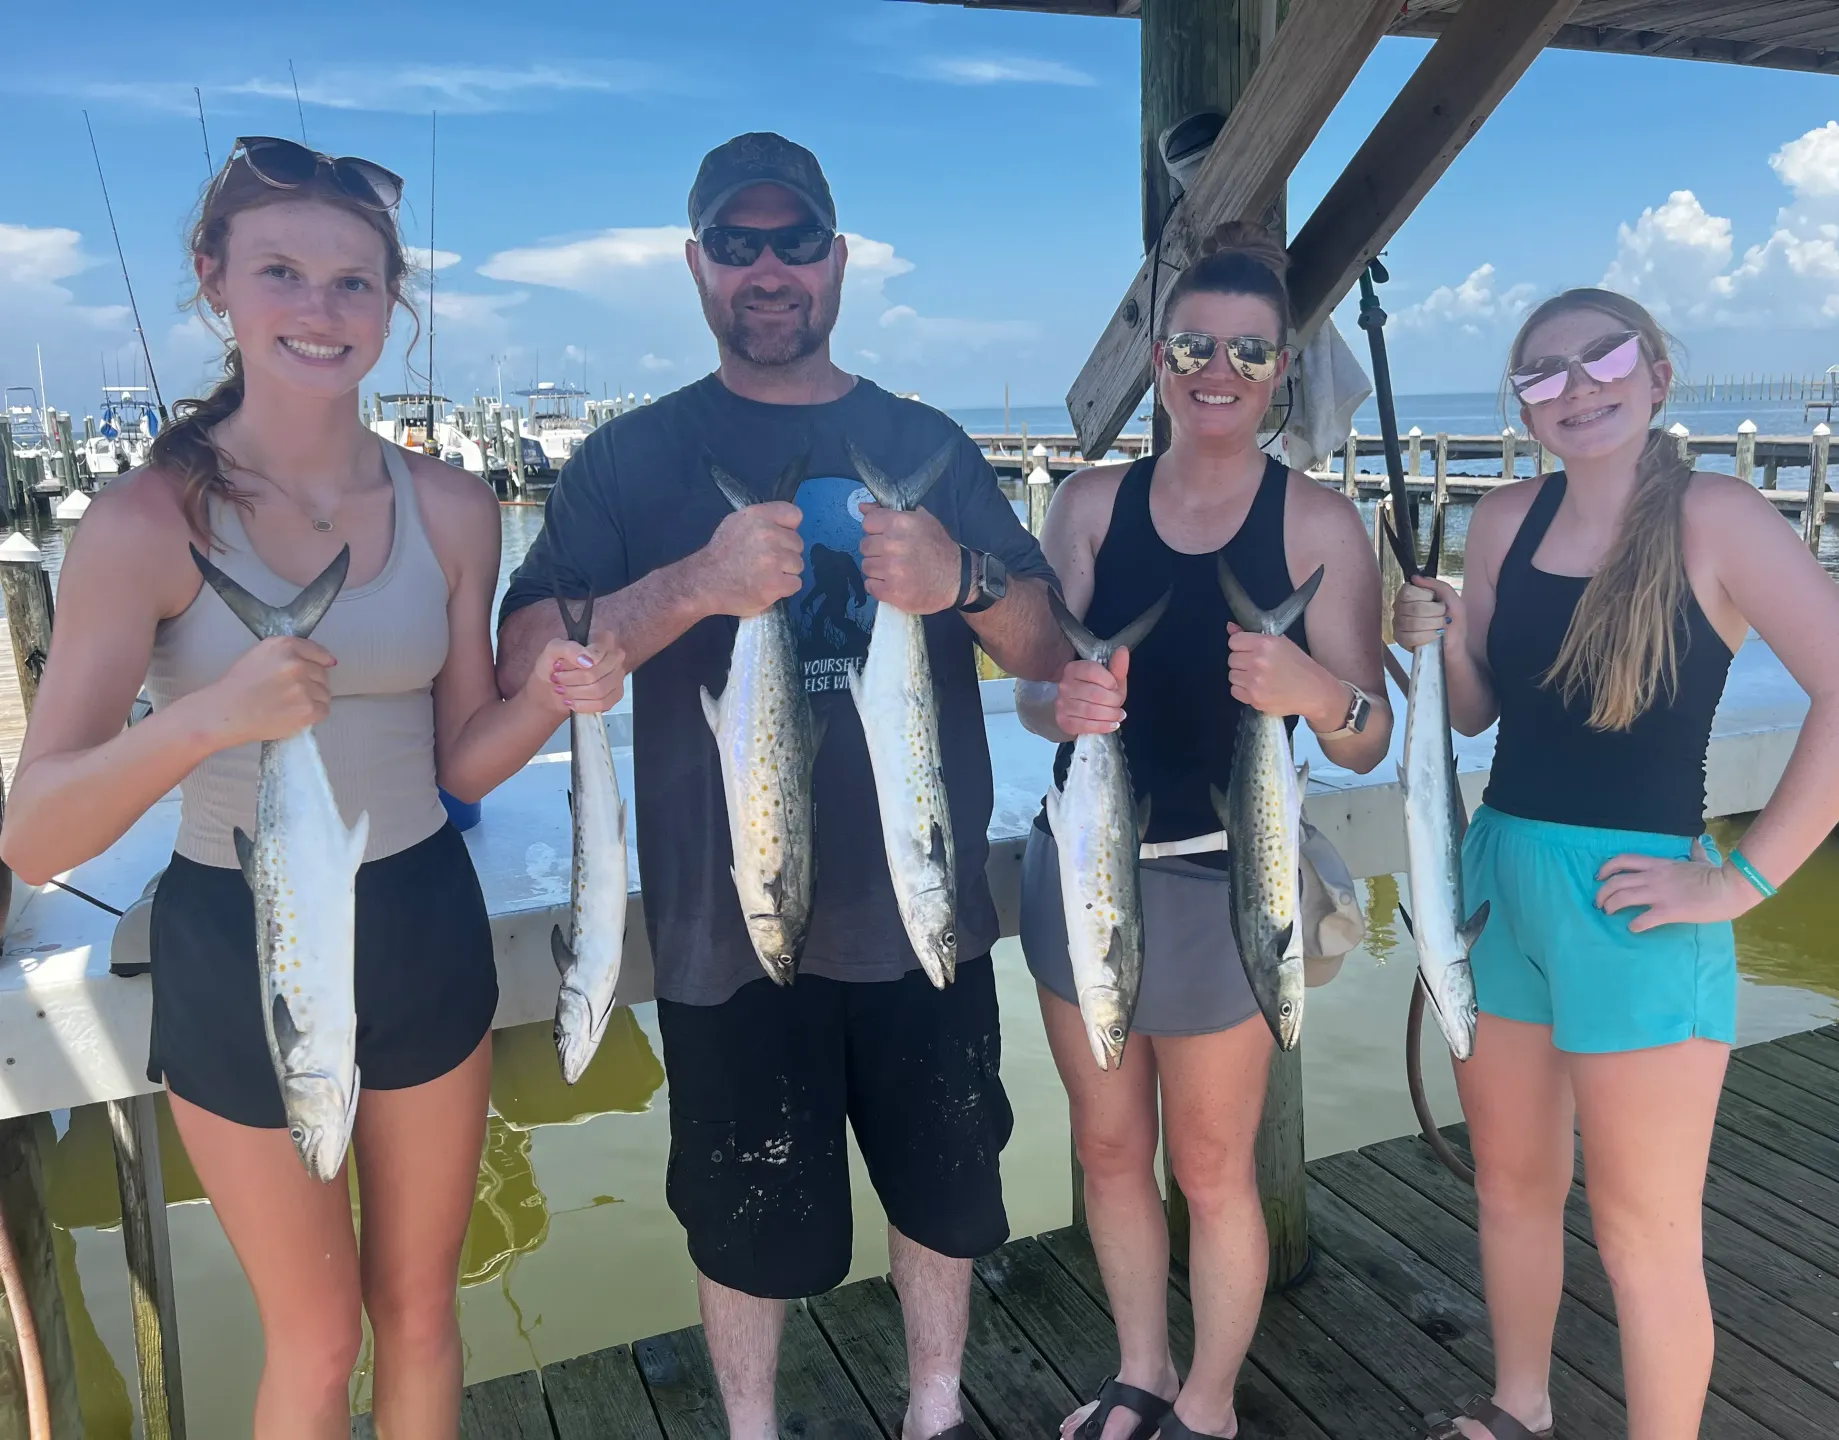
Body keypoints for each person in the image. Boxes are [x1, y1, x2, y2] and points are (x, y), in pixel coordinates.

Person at [0, 137, 624, 1439]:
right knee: (316, 1334)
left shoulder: (449, 506)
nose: (321, 310)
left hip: (419, 920)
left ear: (393, 306)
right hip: (239, 939)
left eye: (355, 283)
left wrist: (555, 698)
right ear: (213, 281)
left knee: (421, 1312)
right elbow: (38, 829)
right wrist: (212, 718)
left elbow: (460, 759)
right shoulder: (140, 523)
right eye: (283, 271)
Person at [494, 131, 1072, 1440]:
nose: (769, 269)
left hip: (919, 918)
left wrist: (960, 581)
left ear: (839, 260)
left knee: (947, 1194)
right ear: (698, 264)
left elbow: (1051, 648)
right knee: (743, 1223)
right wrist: (692, 585)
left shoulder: (924, 443)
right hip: (725, 935)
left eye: (794, 240)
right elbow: (526, 661)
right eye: (739, 243)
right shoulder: (625, 463)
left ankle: (935, 1410)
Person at [1395, 288, 1839, 1440]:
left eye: (1602, 358)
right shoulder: (1503, 521)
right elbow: (1476, 714)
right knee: (1511, 1183)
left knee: (1645, 1233)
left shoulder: (1719, 518)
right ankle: (1519, 1406)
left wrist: (1741, 880)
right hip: (1493, 881)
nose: (1576, 387)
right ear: (1521, 404)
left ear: (1657, 374)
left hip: (1638, 905)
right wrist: (1431, 638)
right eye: (1543, 372)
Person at [1013, 221, 1392, 1440]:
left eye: (1247, 349)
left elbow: (1371, 734)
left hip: (1230, 887)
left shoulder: (1322, 527)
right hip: (1078, 872)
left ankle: (1211, 1403)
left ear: (1283, 368)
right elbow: (1032, 687)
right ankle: (1140, 1372)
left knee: (1214, 1168)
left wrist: (1314, 694)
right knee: (1110, 1153)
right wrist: (1055, 699)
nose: (1215, 368)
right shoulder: (1085, 505)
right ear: (1159, 358)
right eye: (1192, 344)